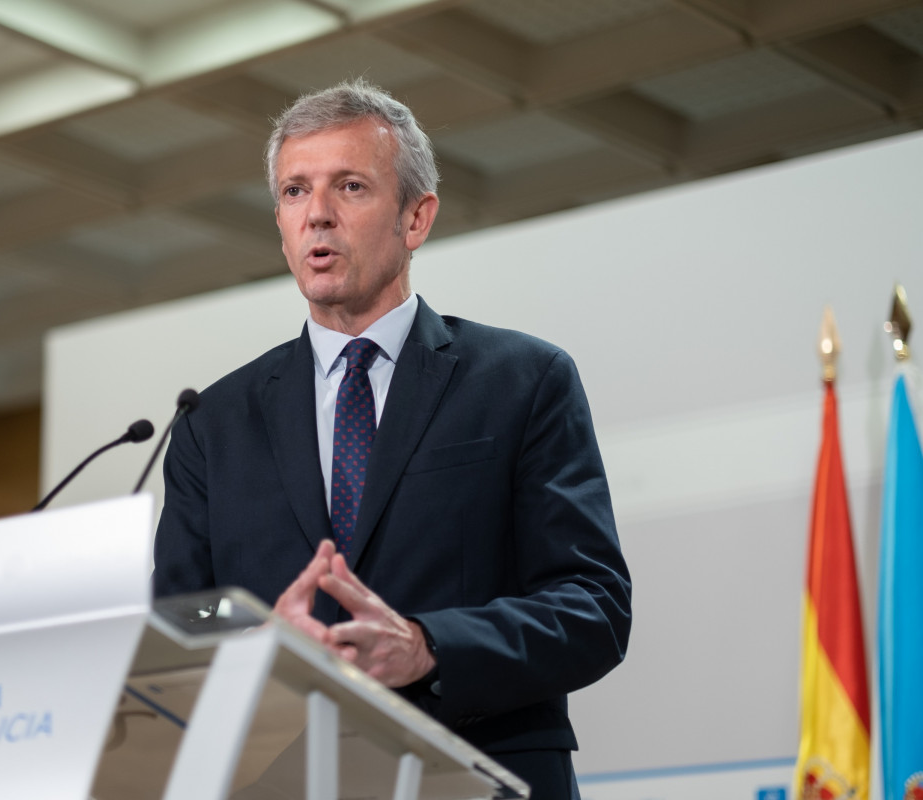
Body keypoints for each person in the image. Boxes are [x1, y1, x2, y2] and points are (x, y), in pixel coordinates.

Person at [153, 79, 631, 800]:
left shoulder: (523, 380)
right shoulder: (212, 424)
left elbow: (591, 607)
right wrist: (260, 650)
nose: (316, 215)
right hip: (281, 776)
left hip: (476, 771)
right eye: (293, 192)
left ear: (416, 217)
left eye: (349, 187)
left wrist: (425, 647)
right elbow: (175, 631)